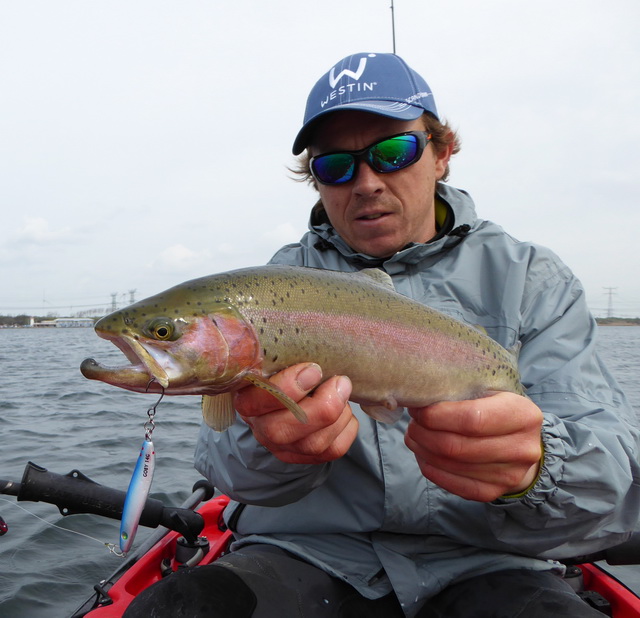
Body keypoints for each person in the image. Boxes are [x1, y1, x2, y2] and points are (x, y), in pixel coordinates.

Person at [125, 53, 640, 617]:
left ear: (442, 154)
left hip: (492, 559)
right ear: (315, 179)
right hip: (304, 553)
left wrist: (537, 470)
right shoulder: (271, 287)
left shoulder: (533, 280)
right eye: (336, 167)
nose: (366, 183)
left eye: (394, 153)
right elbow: (230, 470)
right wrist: (274, 446)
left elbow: (612, 483)